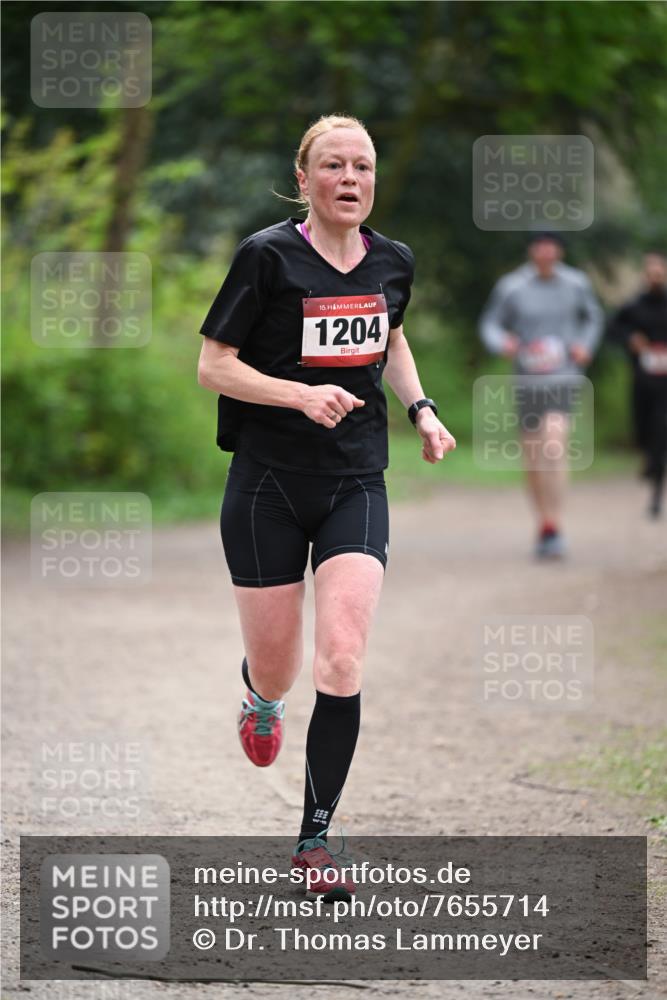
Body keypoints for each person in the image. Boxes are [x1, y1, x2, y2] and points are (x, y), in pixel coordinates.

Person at [197, 114, 456, 900]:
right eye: (335, 166)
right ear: (304, 178)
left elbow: (393, 336)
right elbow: (214, 366)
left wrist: (421, 409)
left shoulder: (393, 261)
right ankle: (260, 696)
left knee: (340, 657)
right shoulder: (267, 256)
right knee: (279, 665)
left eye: (363, 166)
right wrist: (298, 396)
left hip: (354, 480)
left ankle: (314, 842)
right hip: (266, 484)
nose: (351, 178)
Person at [479, 233, 603, 559]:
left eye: (552, 245)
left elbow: (593, 317)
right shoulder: (512, 286)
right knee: (533, 456)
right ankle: (544, 522)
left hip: (563, 378)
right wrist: (502, 342)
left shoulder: (576, 283)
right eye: (540, 245)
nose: (546, 251)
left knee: (555, 441)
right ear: (532, 250)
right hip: (527, 382)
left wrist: (584, 346)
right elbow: (490, 323)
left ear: (559, 250)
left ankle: (556, 523)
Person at [607, 252, 667, 517]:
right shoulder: (633, 307)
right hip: (642, 381)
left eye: (659, 272)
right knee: (644, 429)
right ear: (644, 276)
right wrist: (631, 338)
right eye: (650, 273)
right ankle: (649, 458)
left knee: (661, 431)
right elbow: (612, 330)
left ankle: (656, 491)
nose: (655, 277)